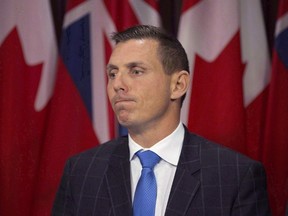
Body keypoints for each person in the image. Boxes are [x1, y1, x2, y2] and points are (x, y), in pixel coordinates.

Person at [52, 25, 271, 216]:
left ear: (178, 85)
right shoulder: (81, 171)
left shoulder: (235, 176)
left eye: (136, 71)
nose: (118, 84)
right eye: (112, 74)